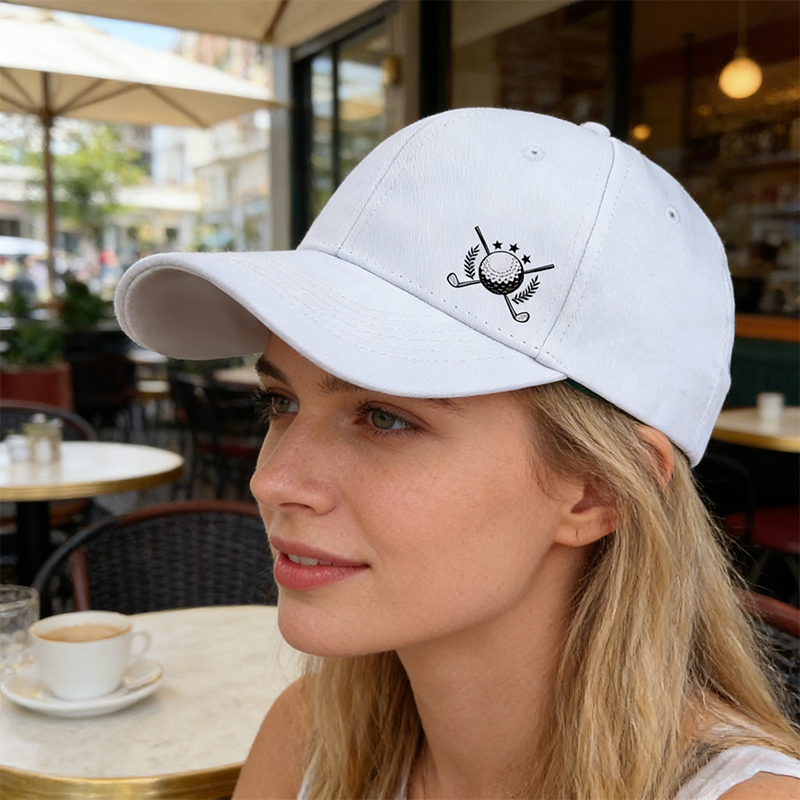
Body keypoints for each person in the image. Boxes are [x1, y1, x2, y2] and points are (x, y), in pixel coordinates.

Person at [114, 108, 800, 799]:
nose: (271, 480)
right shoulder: (309, 739)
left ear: (598, 491)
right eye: (280, 402)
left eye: (385, 418)